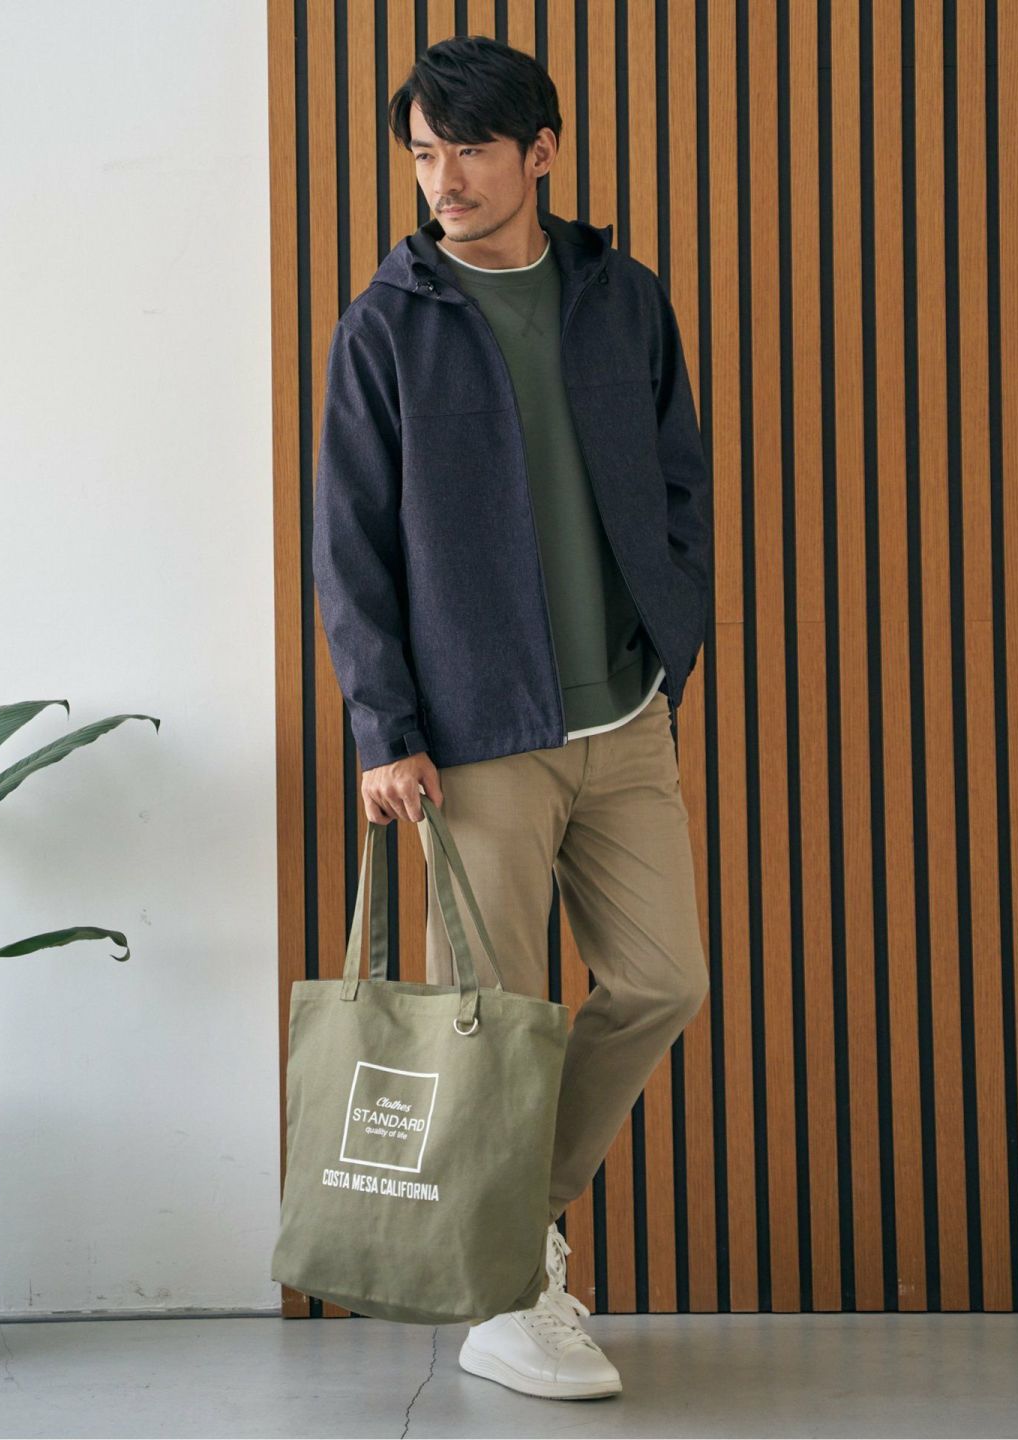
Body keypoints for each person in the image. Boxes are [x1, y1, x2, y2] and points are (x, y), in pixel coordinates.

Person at [311, 34, 712, 1401]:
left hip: (626, 719)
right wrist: (385, 728)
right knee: (495, 1024)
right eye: (424, 154)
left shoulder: (620, 297)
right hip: (475, 734)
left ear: (540, 152)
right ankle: (507, 1295)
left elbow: (678, 476)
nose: (445, 181)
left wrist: (671, 635)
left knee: (663, 982)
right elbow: (351, 544)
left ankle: (512, 1217)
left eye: (471, 149)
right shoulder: (388, 322)